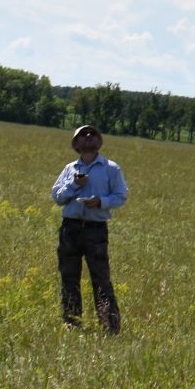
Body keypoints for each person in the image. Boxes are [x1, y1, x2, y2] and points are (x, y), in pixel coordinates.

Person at [50, 124, 128, 333]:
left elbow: (121, 196)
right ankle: (72, 322)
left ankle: (110, 326)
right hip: (70, 229)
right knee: (69, 276)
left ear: (99, 141)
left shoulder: (111, 168)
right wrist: (74, 185)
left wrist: (100, 202)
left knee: (101, 278)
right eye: (82, 135)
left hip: (96, 230)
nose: (88, 137)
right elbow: (57, 197)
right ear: (76, 143)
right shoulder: (69, 169)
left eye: (92, 134)